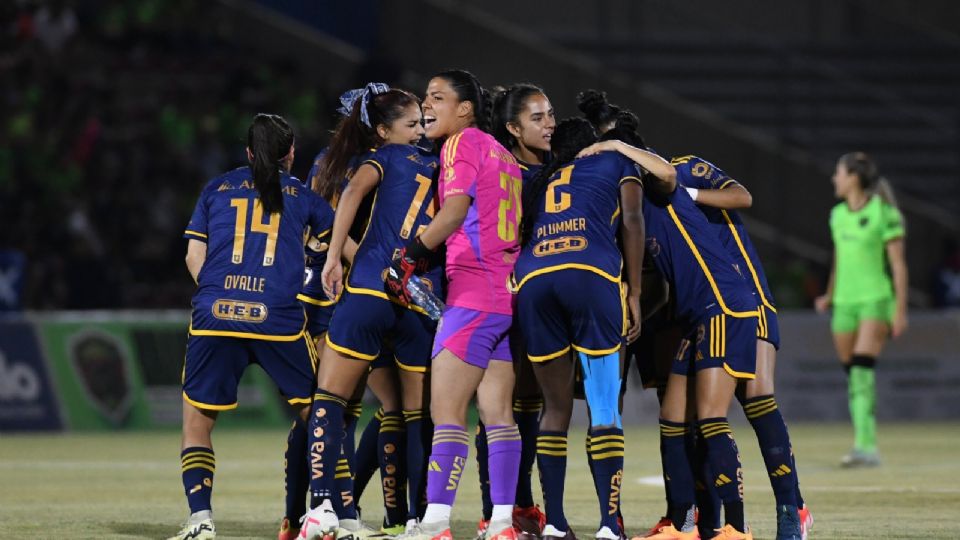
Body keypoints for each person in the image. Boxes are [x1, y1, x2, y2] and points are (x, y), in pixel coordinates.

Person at [585, 119, 759, 540]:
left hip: (722, 304)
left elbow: (665, 171)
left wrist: (612, 144)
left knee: (712, 418)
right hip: (693, 316)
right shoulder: (634, 210)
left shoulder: (664, 187)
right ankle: (681, 523)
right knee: (671, 417)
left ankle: (736, 527)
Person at [169, 113, 334, 540]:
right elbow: (336, 245)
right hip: (277, 316)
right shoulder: (301, 193)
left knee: (197, 422)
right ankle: (329, 511)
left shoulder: (216, 188)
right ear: (291, 153)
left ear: (248, 152)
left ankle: (200, 520)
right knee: (318, 413)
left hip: (216, 315)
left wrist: (220, 294)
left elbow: (192, 257)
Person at [297, 84, 440, 540]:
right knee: (403, 411)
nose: (421, 131)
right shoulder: (438, 164)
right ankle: (407, 516)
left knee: (333, 402)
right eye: (413, 123)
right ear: (380, 128)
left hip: (359, 293)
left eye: (423, 122)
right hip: (406, 295)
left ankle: (327, 509)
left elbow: (332, 214)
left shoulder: (359, 161)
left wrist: (341, 257)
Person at [514, 117, 666, 540]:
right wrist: (634, 292)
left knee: (556, 408)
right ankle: (607, 523)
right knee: (603, 407)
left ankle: (557, 524)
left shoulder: (543, 179)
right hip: (590, 273)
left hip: (534, 280)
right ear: (592, 145)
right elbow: (633, 221)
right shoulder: (615, 162)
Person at [386, 69, 522, 540]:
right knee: (498, 416)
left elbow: (455, 210)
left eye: (437, 97)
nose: (427, 105)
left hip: (470, 295)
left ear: (465, 109)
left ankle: (436, 522)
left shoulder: (460, 144)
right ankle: (503, 523)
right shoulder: (504, 153)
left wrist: (411, 255)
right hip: (504, 298)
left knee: (446, 415)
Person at [673, 154, 809, 539]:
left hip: (747, 295)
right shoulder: (640, 203)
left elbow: (741, 196)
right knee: (703, 417)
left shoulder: (683, 168)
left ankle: (790, 509)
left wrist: (690, 194)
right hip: (704, 310)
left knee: (759, 400)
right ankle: (713, 520)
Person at [470, 82, 555, 539]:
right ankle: (497, 509)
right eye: (537, 118)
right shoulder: (505, 170)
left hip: (544, 302)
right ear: (512, 128)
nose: (549, 125)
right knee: (500, 408)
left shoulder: (559, 167)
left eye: (550, 115)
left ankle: (522, 505)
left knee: (531, 408)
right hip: (507, 296)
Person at [815, 152, 907, 467]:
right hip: (844, 302)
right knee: (853, 377)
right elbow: (839, 260)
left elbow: (898, 265)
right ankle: (861, 442)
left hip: (875, 299)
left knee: (862, 371)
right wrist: (829, 295)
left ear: (853, 177)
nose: (834, 179)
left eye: (838, 173)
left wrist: (900, 310)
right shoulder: (837, 215)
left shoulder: (885, 213)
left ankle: (866, 446)